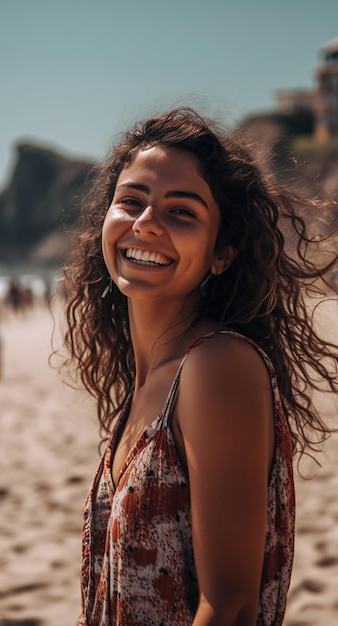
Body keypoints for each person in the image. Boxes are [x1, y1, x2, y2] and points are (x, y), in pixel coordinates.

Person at [60, 107, 338, 626]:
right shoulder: (150, 381)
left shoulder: (217, 365)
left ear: (222, 253)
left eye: (181, 212)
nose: (145, 223)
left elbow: (230, 608)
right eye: (131, 201)